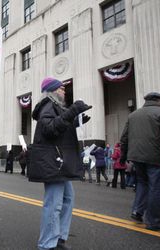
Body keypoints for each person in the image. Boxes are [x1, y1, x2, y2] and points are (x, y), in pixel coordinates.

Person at [28, 77, 92, 250]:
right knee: (54, 203)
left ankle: (59, 238)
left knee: (67, 199)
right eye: (62, 88)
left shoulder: (55, 107)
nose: (64, 91)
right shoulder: (48, 105)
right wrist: (71, 113)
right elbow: (49, 129)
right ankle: (47, 244)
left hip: (59, 161)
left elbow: (59, 129)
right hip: (53, 162)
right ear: (53, 90)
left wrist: (75, 121)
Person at [120, 92, 160, 231]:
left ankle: (137, 212)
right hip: (155, 156)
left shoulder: (133, 115)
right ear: (159, 100)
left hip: (136, 157)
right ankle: (153, 222)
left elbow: (124, 138)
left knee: (142, 184)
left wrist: (123, 155)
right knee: (155, 188)